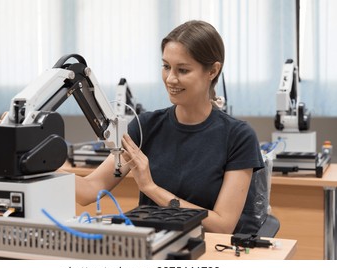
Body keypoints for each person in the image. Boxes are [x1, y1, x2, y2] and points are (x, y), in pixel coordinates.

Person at [72, 20, 265, 234]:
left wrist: (151, 189)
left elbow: (222, 225)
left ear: (212, 71)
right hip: (151, 251)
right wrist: (40, 168)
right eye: (166, 67)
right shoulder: (145, 127)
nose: (171, 79)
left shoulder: (238, 136)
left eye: (182, 70)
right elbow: (89, 191)